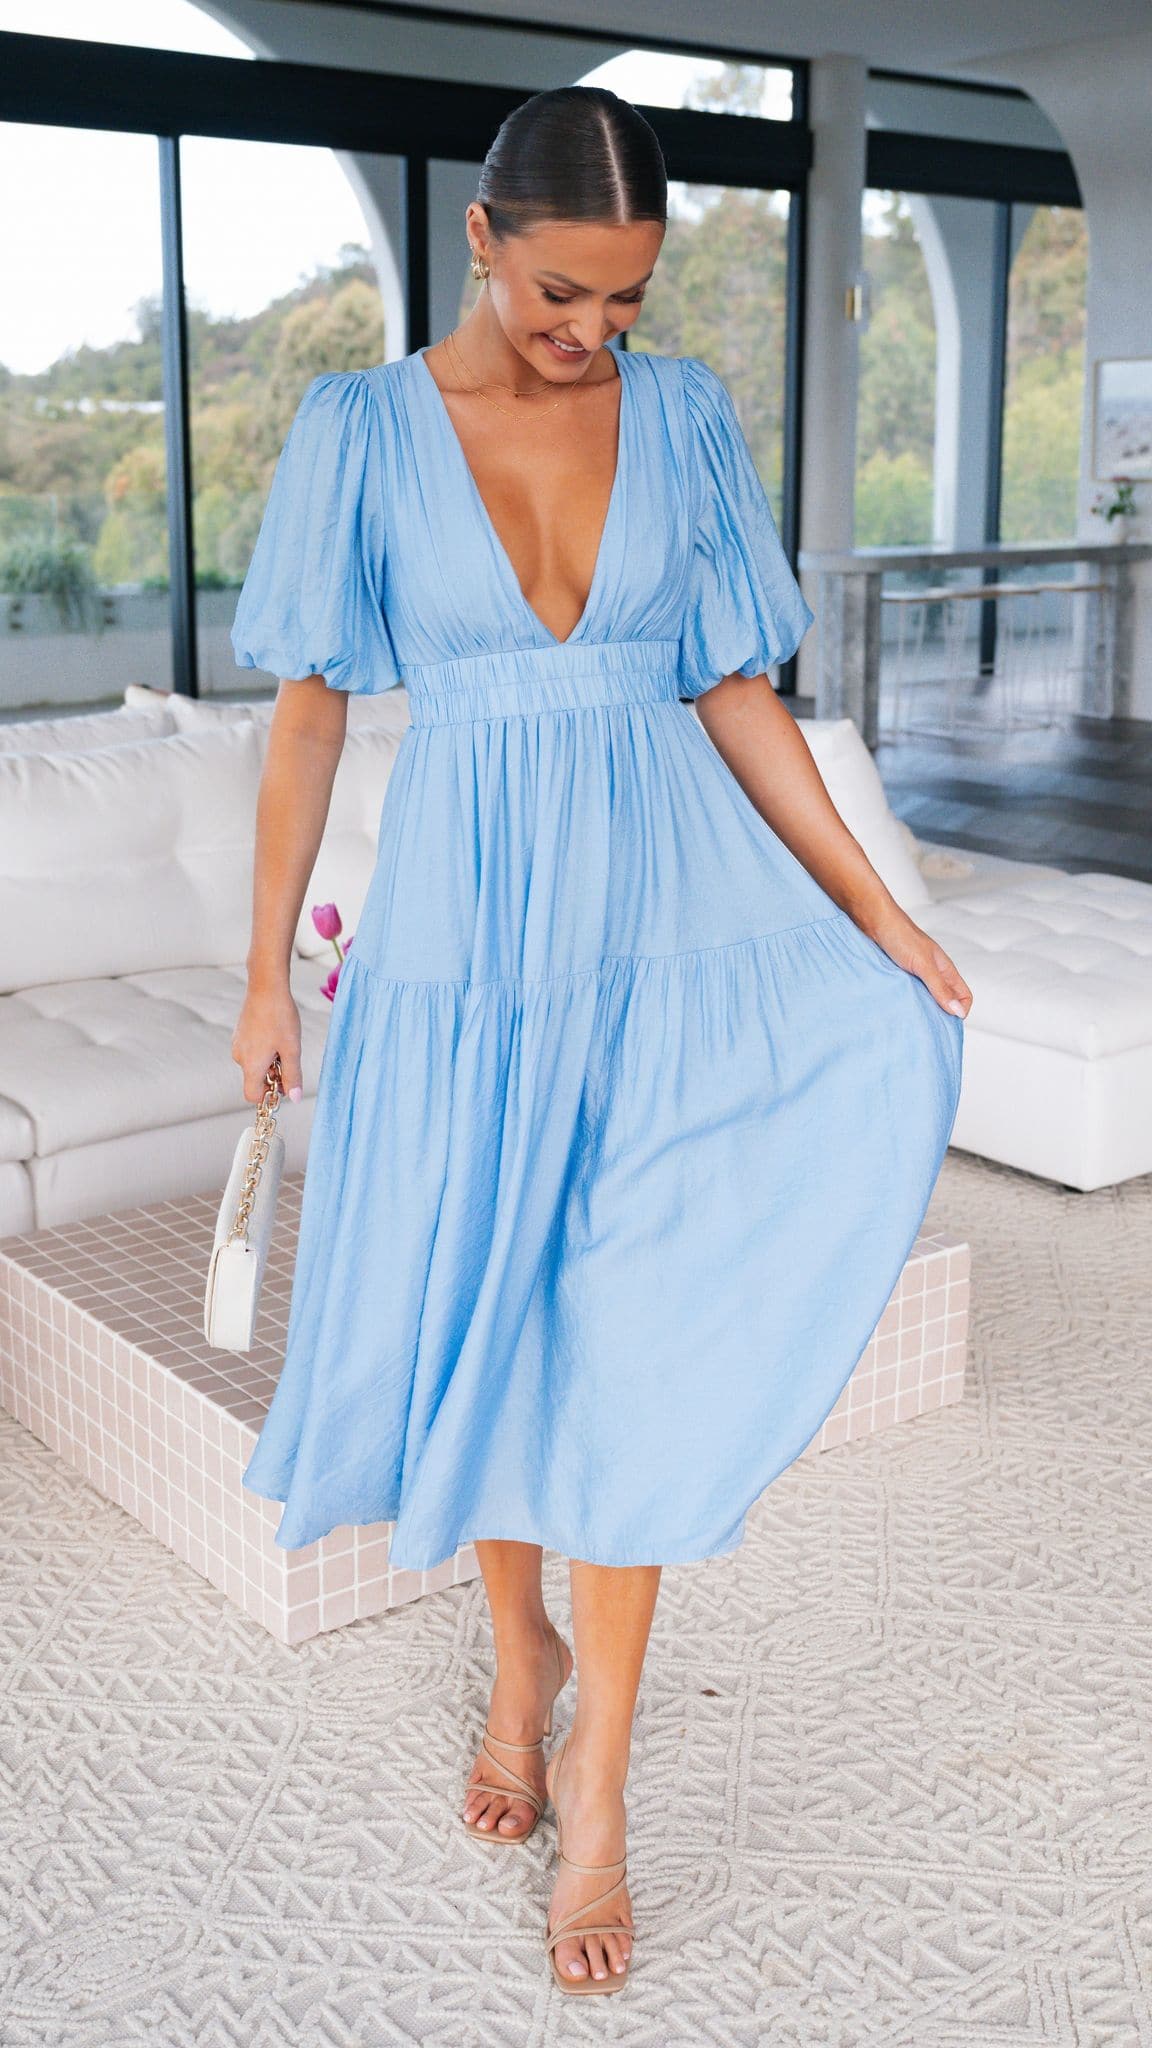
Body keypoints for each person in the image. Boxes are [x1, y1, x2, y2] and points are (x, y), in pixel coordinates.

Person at [228, 84, 971, 1998]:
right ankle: (520, 1653)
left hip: (667, 928)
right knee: (492, 1307)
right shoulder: (361, 430)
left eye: (628, 299)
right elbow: (308, 714)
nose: (593, 332)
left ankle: (604, 1780)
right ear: (481, 240)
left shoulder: (689, 415)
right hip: (469, 944)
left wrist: (874, 909)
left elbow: (735, 688)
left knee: (629, 1335)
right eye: (562, 291)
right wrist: (263, 975)